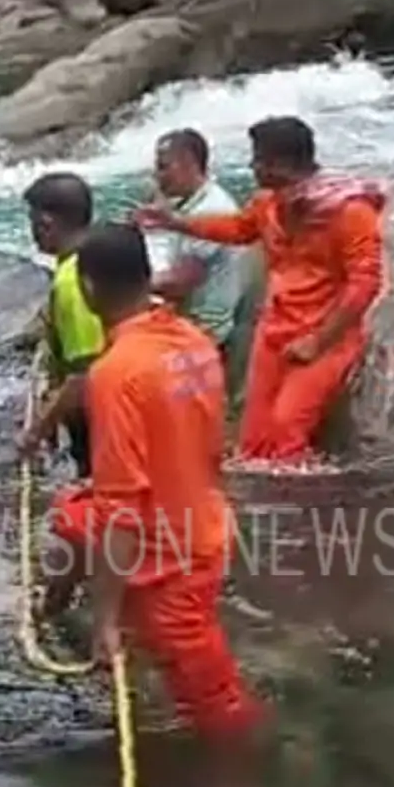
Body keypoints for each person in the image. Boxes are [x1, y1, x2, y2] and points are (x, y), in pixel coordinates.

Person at [17, 222, 264, 745]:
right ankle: (55, 605)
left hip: (171, 560)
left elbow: (122, 508)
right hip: (205, 520)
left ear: (86, 289)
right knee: (71, 511)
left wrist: (105, 619)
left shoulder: (119, 374)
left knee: (216, 702)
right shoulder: (191, 341)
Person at [134, 116, 385, 465]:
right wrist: (175, 222)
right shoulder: (270, 202)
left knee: (285, 430)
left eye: (259, 159)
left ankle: (301, 510)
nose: (252, 166)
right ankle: (263, 506)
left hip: (326, 338)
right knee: (253, 439)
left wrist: (319, 341)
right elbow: (240, 228)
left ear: (282, 165)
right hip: (275, 331)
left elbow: (366, 283)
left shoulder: (350, 211)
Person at [146, 128, 262, 419]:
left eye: (163, 167)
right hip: (188, 316)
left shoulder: (210, 210)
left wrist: (127, 283)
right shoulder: (193, 202)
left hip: (205, 329)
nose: (157, 176)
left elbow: (180, 284)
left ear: (190, 164)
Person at [20, 172, 107, 479]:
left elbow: (83, 376)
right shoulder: (99, 254)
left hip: (100, 419)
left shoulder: (72, 282)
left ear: (47, 223)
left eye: (32, 222)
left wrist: (39, 428)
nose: (32, 232)